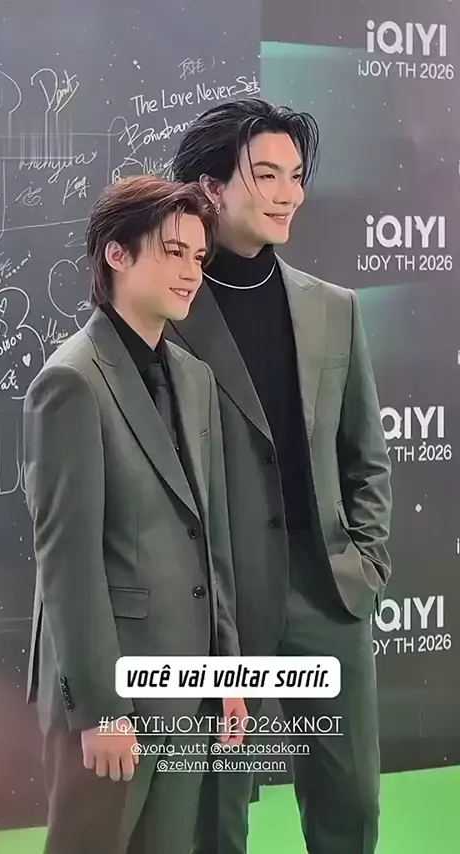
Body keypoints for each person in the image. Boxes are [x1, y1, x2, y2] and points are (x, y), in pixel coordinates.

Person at [167, 98, 392, 854]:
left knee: (350, 801)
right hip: (217, 598)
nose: (287, 193)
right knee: (217, 810)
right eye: (265, 175)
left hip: (327, 587)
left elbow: (365, 453)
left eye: (295, 176)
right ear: (210, 187)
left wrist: (366, 559)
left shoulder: (336, 308)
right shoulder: (168, 312)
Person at [23, 175, 247, 854]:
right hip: (111, 696)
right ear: (116, 254)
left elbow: (211, 540)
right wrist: (102, 710)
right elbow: (67, 563)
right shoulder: (70, 381)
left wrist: (228, 673)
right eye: (173, 252)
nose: (191, 272)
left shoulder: (195, 378)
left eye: (198, 257)